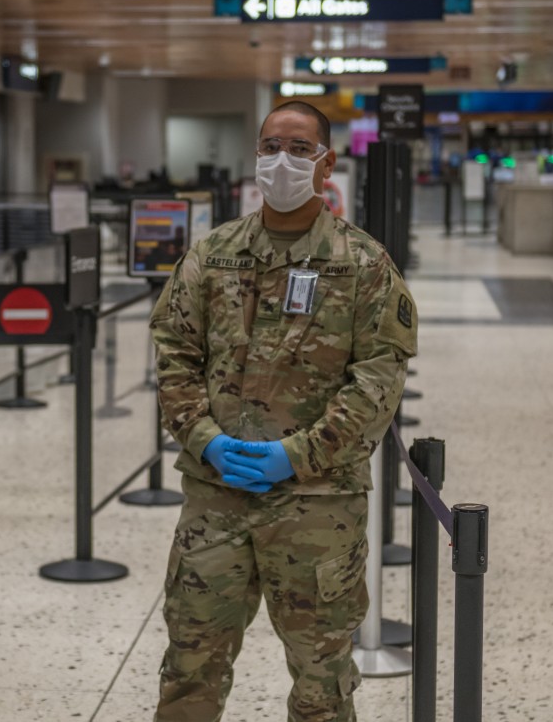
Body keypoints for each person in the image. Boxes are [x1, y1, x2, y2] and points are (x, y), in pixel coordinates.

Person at [150, 100, 417, 722]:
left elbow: (377, 381)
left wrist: (293, 456)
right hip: (215, 499)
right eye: (271, 147)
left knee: (322, 682)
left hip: (317, 509)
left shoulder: (364, 264)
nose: (282, 161)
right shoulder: (211, 255)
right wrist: (206, 440)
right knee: (189, 666)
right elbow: (173, 356)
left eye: (300, 149)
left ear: (327, 165)